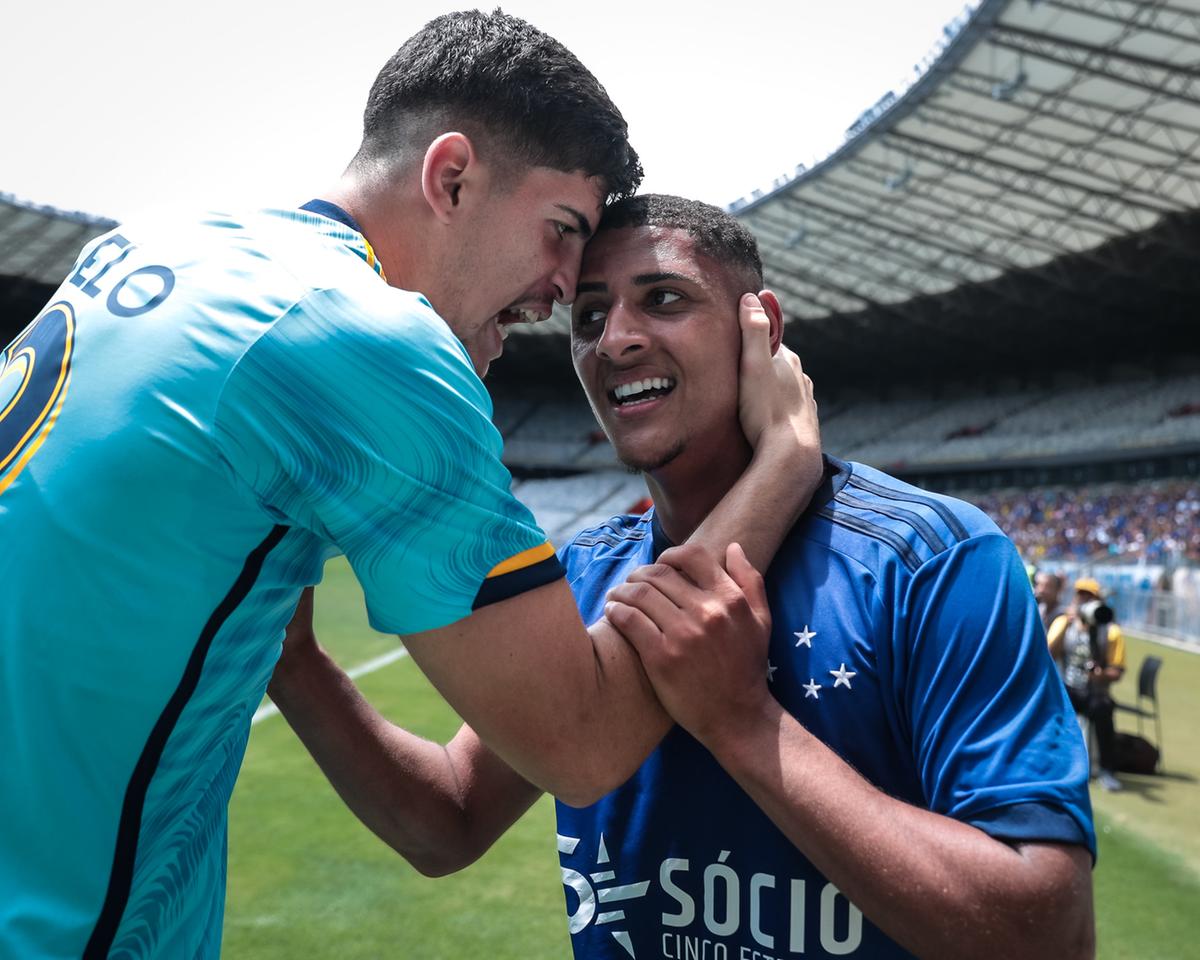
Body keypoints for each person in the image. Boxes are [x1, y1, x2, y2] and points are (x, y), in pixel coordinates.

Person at [0, 15, 822, 958]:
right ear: (453, 178)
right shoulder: (368, 340)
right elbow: (583, 745)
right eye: (563, 232)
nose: (564, 288)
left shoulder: (166, 243)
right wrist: (785, 461)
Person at [272, 195, 1097, 960]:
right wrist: (295, 664)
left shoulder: (931, 558)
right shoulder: (584, 571)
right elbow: (448, 820)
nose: (616, 339)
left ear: (760, 326)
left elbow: (1049, 932)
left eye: (663, 299)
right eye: (588, 316)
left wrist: (740, 721)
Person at [1048, 578, 1127, 792]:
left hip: (1095, 692)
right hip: (1069, 687)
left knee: (1104, 709)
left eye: (1089, 596)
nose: (1084, 600)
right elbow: (1048, 655)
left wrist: (1100, 675)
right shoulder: (1064, 621)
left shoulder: (1111, 631)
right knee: (1050, 705)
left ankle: (1106, 770)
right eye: (1080, 595)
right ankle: (1051, 763)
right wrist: (1067, 622)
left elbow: (1117, 670)